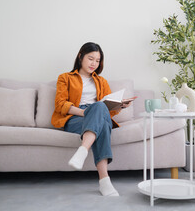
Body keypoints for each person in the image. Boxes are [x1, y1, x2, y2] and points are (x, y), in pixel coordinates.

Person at [51, 42, 134, 196]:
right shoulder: (65, 78)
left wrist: (119, 106)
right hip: (75, 117)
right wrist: (86, 113)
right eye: (91, 59)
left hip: (98, 114)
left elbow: (107, 110)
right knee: (99, 115)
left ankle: (83, 150)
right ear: (80, 56)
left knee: (100, 108)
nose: (94, 64)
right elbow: (60, 105)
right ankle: (105, 182)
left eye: (97, 60)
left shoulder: (102, 81)